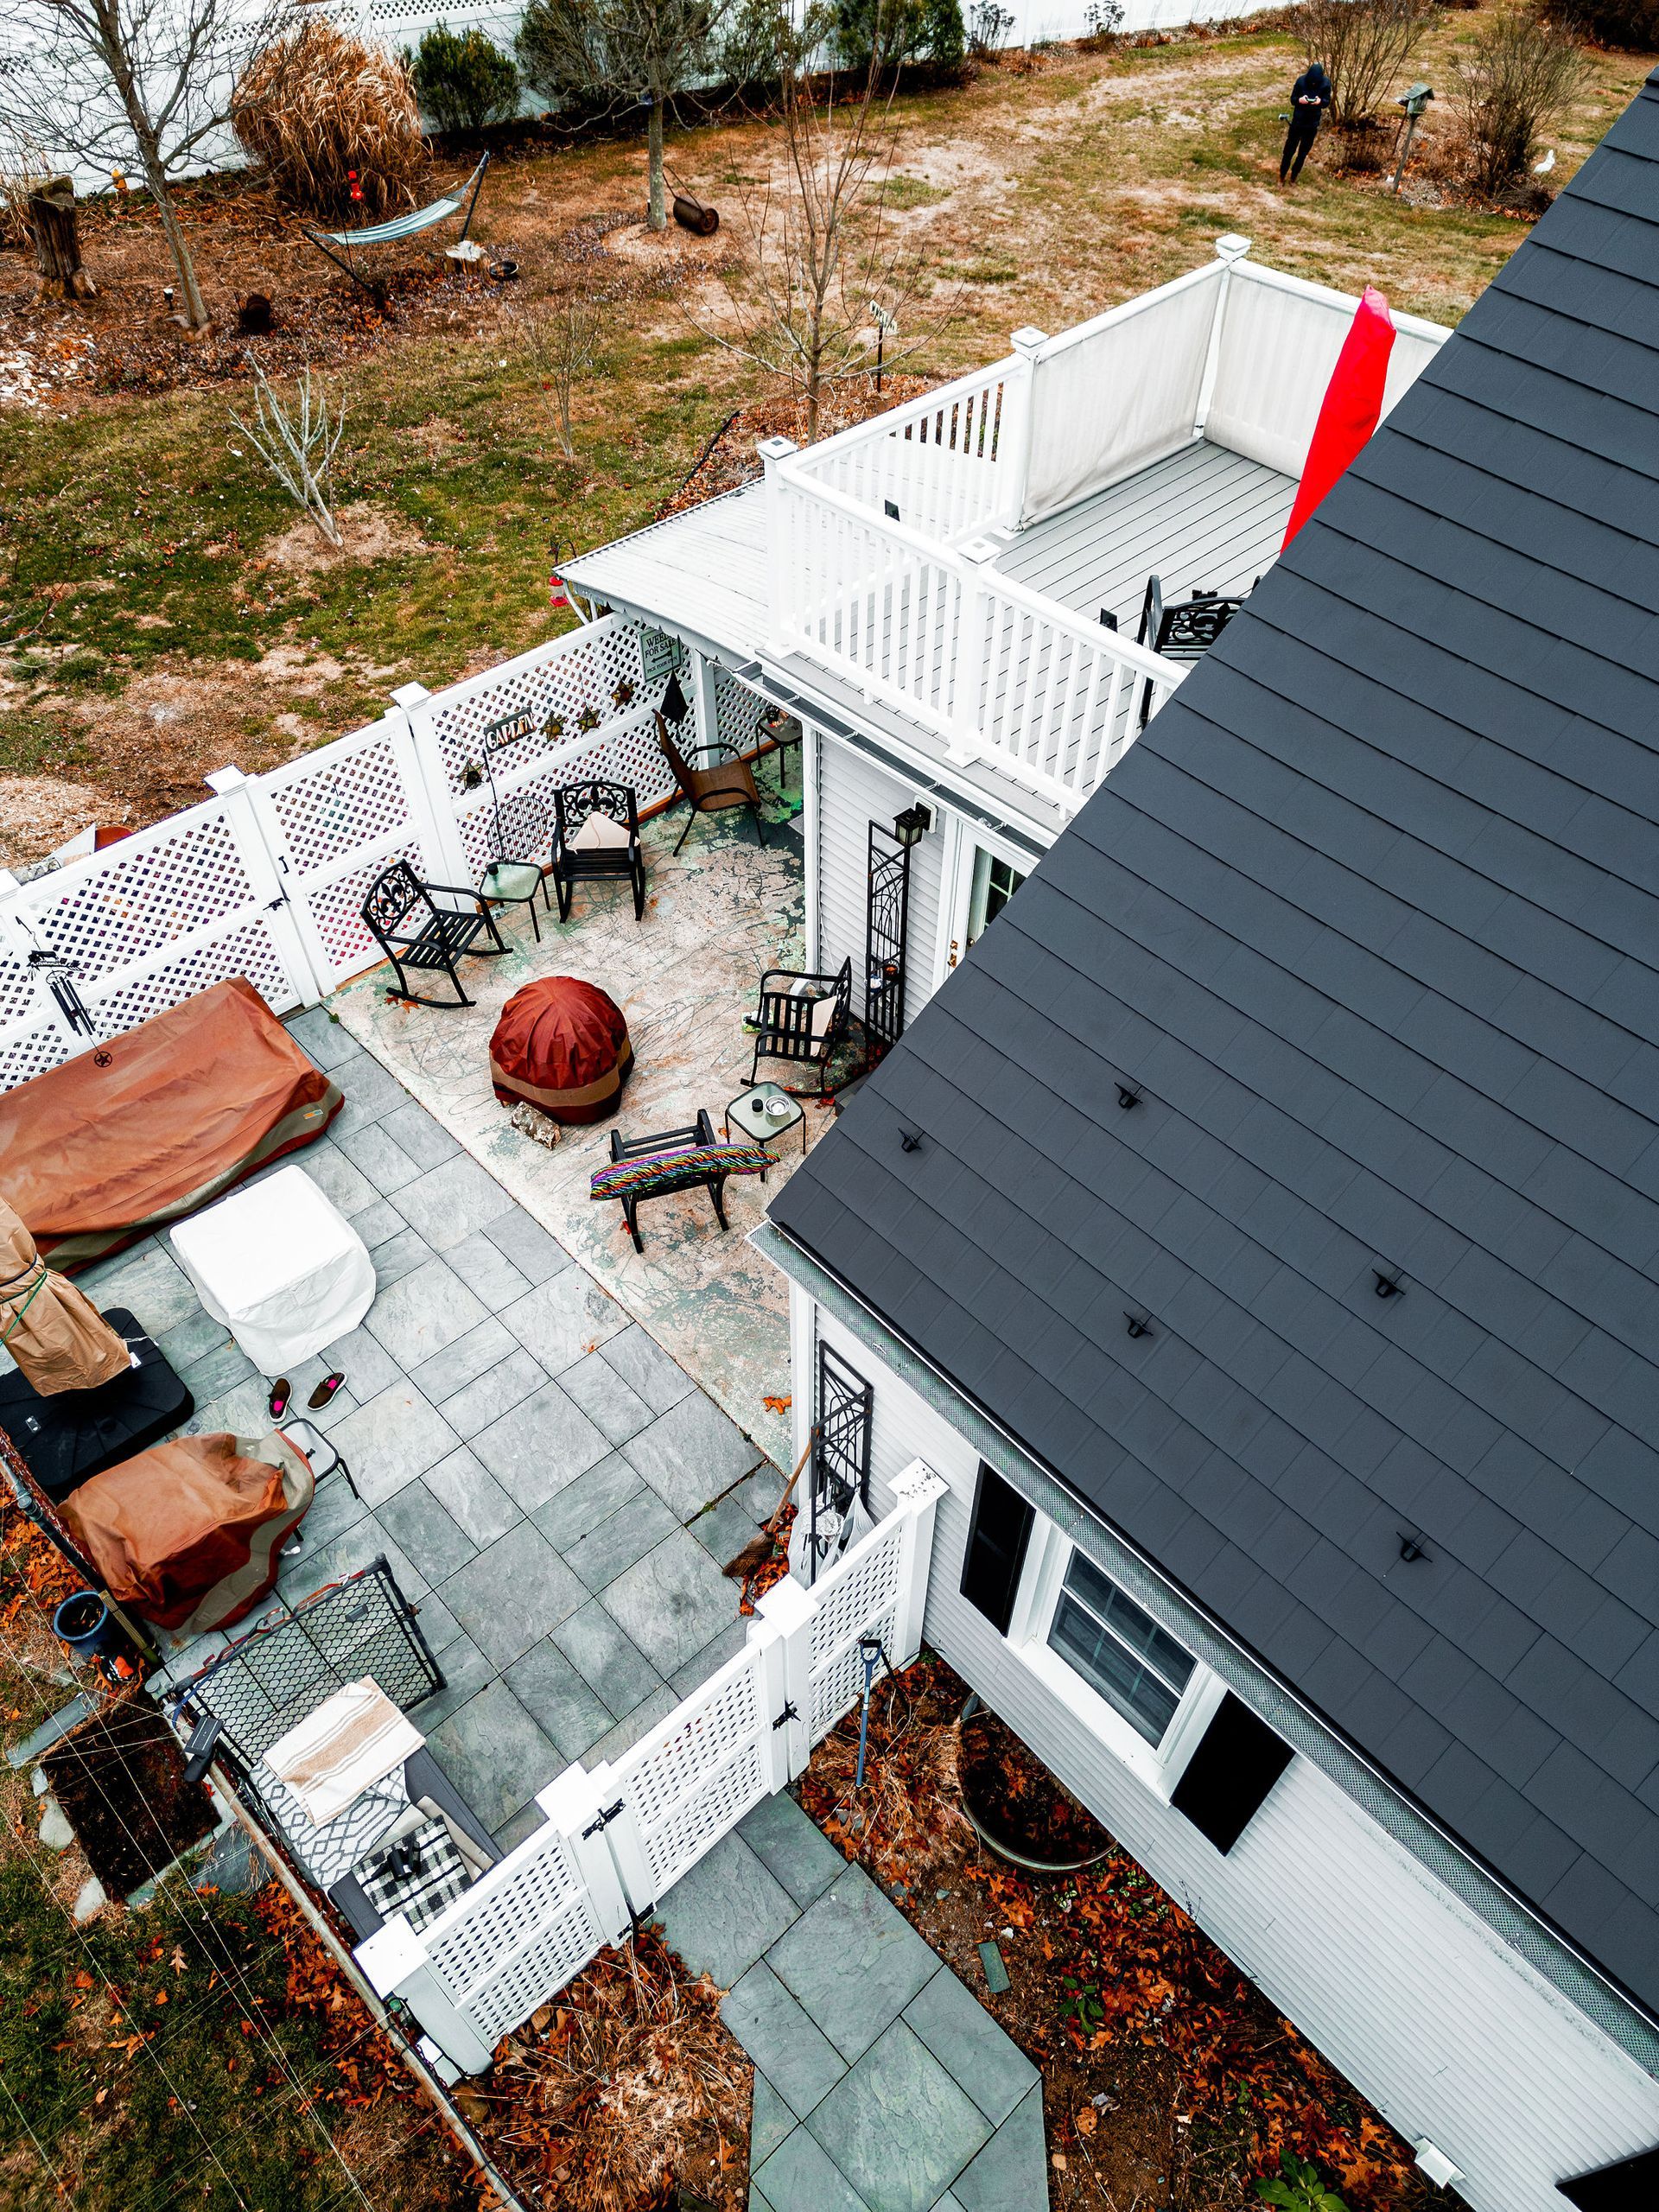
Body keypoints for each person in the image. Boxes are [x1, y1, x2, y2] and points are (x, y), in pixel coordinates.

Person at [1281, 62, 1332, 183]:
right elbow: (1293, 100)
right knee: (1289, 151)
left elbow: (1326, 101)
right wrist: (1300, 100)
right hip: (1298, 122)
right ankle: (1282, 176)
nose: (1313, 84)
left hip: (1312, 123)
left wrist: (1320, 102)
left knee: (1303, 153)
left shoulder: (1326, 83)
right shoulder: (1301, 81)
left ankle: (1294, 176)